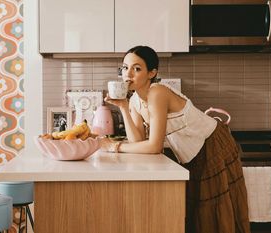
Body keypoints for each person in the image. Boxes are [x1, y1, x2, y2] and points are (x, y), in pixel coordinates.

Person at [101, 45, 250, 233]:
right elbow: (137, 141)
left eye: (136, 68)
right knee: (201, 211)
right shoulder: (135, 100)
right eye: (124, 67)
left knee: (215, 209)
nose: (128, 74)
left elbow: (154, 146)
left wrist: (115, 146)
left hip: (213, 144)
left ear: (151, 73)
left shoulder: (157, 93)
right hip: (194, 152)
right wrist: (123, 107)